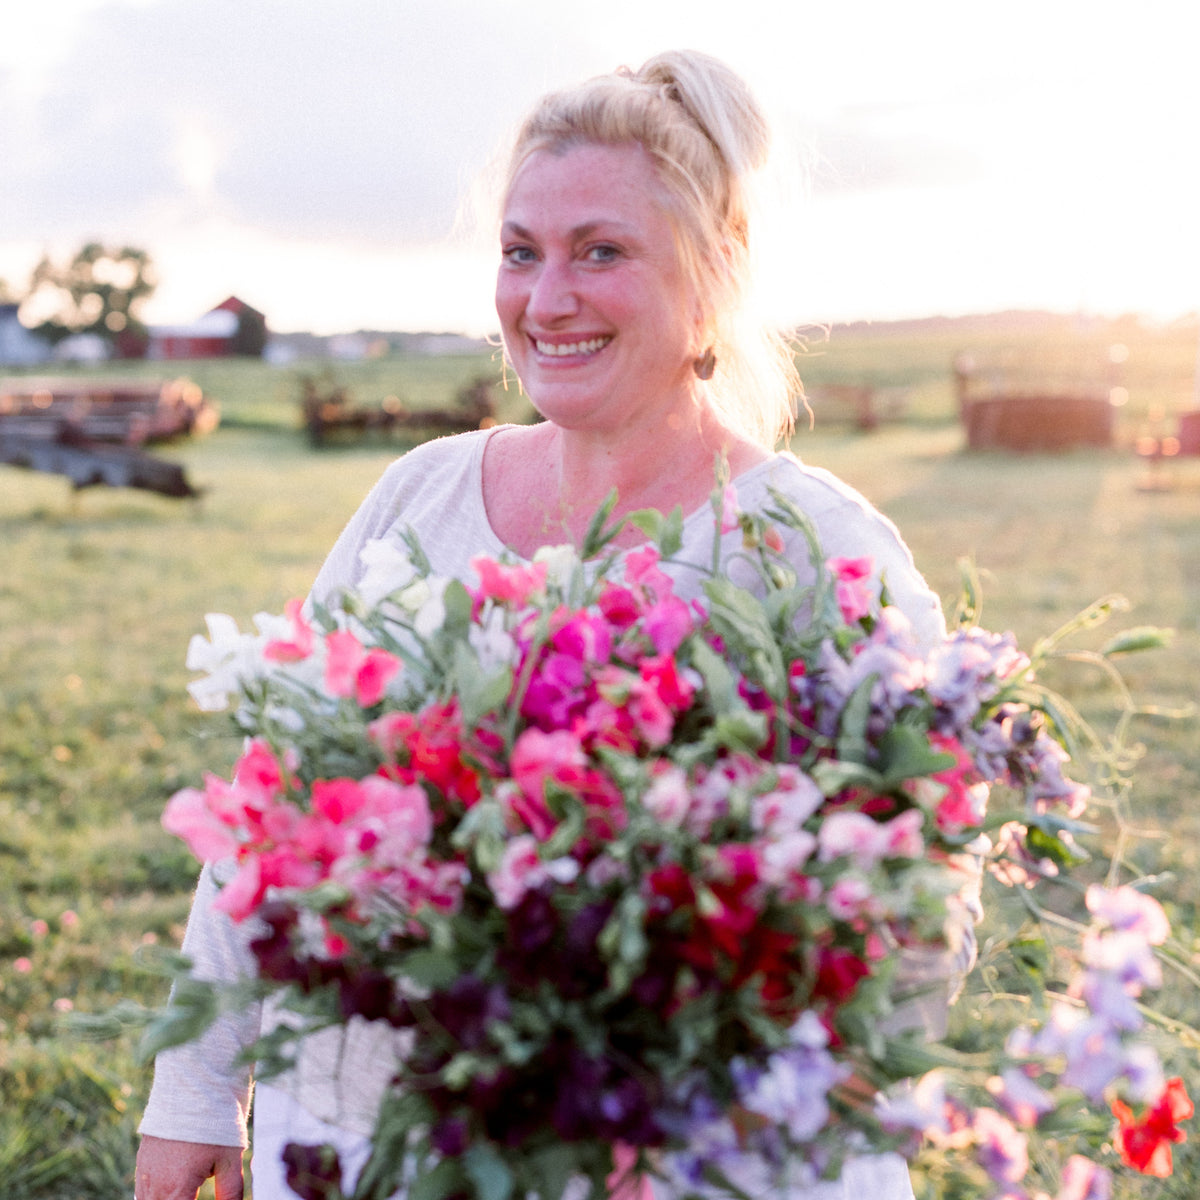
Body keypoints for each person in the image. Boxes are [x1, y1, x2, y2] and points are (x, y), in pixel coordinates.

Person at [136, 49, 973, 1200]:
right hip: (366, 1129)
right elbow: (270, 803)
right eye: (521, 252)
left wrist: (720, 1126)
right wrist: (192, 1084)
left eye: (602, 252)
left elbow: (928, 901)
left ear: (715, 274)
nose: (546, 299)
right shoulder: (420, 498)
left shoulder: (814, 546)